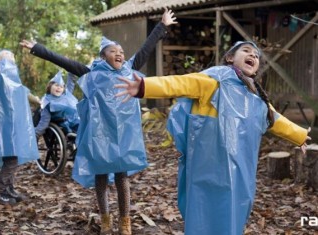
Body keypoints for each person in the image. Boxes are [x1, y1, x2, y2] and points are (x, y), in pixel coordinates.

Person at [114, 41, 311, 235]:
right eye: (246, 51)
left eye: (257, 55)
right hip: (208, 167)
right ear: (230, 57)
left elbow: (274, 119)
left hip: (239, 172)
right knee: (204, 212)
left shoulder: (256, 98)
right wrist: (144, 87)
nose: (253, 56)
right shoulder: (214, 82)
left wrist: (299, 135)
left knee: (233, 211)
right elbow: (180, 83)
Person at [20, 8, 177, 235]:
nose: (120, 53)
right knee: (101, 176)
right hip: (99, 135)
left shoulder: (130, 70)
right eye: (113, 51)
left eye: (121, 50)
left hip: (123, 134)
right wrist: (37, 49)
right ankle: (105, 218)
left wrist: (161, 26)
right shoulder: (90, 74)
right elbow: (63, 61)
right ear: (103, 56)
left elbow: (146, 49)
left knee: (122, 176)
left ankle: (125, 221)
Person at [0, 36, 39, 205]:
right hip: (3, 127)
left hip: (14, 126)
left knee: (13, 160)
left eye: (12, 60)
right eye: (7, 60)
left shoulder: (15, 82)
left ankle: (8, 188)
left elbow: (25, 93)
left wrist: (39, 101)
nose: (10, 63)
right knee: (11, 160)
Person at [35, 71, 79, 139]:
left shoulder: (66, 95)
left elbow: (71, 83)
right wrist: (36, 135)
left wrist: (71, 72)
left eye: (61, 86)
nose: (59, 88)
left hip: (75, 120)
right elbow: (44, 121)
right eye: (56, 85)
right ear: (50, 86)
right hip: (63, 125)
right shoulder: (47, 101)